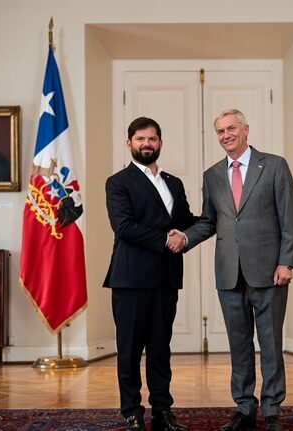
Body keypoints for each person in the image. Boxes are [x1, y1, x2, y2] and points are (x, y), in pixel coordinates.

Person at [169, 108, 293, 431]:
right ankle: (244, 407)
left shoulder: (274, 166)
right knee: (239, 345)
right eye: (220, 131)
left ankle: (272, 409)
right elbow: (208, 222)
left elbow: (289, 217)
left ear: (245, 129)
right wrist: (185, 237)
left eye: (231, 128)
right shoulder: (212, 175)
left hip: (269, 272)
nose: (226, 135)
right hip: (229, 274)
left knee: (270, 343)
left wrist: (286, 261)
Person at [103, 117, 195, 431]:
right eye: (140, 139)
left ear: (160, 143)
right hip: (130, 279)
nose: (146, 144)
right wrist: (166, 240)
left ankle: (162, 411)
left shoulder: (174, 183)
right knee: (129, 350)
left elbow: (185, 221)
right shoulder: (118, 182)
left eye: (152, 139)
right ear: (129, 143)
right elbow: (124, 227)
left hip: (166, 278)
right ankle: (132, 412)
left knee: (160, 349)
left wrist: (216, 220)